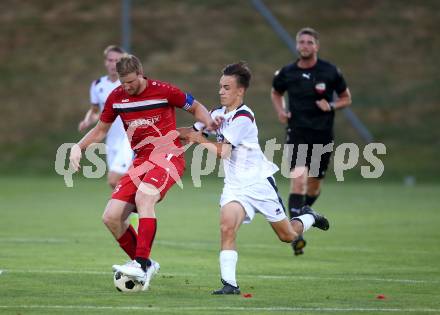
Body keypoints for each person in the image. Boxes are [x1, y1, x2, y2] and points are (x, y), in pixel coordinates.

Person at [69, 54, 218, 291]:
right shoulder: (116, 97)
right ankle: (146, 265)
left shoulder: (165, 91)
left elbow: (197, 107)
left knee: (144, 197)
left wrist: (208, 125)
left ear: (141, 74)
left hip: (168, 155)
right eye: (123, 83)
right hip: (140, 161)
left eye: (131, 82)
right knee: (111, 217)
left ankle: (139, 263)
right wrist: (78, 147)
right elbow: (100, 130)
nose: (127, 87)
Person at [182, 62, 330, 295]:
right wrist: (163, 130)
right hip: (234, 187)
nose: (221, 91)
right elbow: (191, 130)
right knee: (226, 227)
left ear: (240, 91)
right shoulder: (217, 113)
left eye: (227, 87)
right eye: (220, 86)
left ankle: (308, 217)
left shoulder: (244, 116)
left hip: (259, 184)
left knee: (288, 235)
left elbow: (223, 151)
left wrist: (197, 139)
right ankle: (230, 284)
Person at [271, 27, 351, 255]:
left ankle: (305, 216)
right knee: (298, 181)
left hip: (322, 136)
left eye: (309, 42)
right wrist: (281, 110)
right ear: (297, 45)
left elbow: (346, 97)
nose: (305, 46)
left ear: (316, 46)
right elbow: (275, 92)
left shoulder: (330, 71)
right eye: (301, 42)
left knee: (314, 185)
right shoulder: (287, 72)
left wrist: (332, 105)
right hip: (297, 133)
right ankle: (297, 234)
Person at [78, 45, 134, 189]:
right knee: (118, 184)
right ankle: (136, 208)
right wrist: (87, 120)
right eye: (110, 60)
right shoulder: (97, 85)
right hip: (111, 139)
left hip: (129, 138)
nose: (113, 64)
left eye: (117, 60)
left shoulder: (130, 84)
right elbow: (96, 111)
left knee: (114, 179)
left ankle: (135, 208)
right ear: (105, 62)